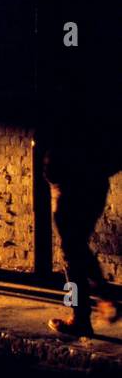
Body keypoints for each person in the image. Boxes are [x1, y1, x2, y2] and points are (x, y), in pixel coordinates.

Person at [43, 82, 121, 338]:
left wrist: (53, 175)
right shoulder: (103, 101)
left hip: (68, 183)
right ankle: (102, 297)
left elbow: (50, 134)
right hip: (95, 183)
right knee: (76, 245)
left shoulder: (63, 100)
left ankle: (81, 315)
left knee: (71, 249)